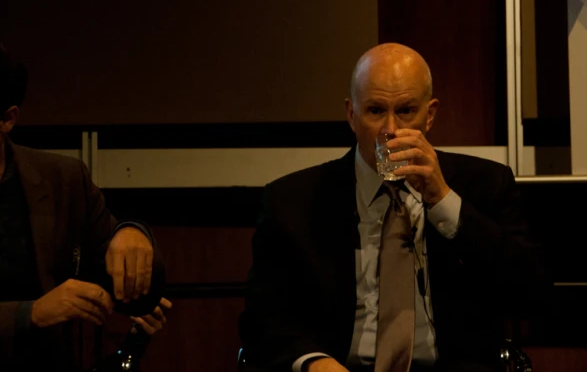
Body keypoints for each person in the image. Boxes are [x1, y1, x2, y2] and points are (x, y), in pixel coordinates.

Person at [240, 43, 551, 372]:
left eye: (405, 111)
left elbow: (533, 295)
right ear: (351, 115)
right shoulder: (292, 201)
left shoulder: (485, 185)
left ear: (429, 115)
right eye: (375, 111)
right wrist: (314, 364)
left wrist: (443, 199)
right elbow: (262, 319)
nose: (390, 129)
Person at [0, 44, 171, 371]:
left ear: (7, 119)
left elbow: (137, 284)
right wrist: (30, 314)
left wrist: (133, 233)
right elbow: (40, 310)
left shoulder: (60, 178)